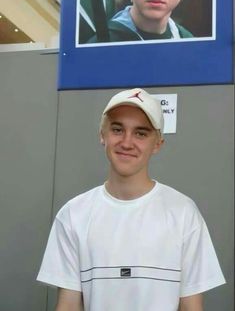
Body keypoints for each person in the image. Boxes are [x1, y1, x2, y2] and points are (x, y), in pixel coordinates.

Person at [37, 87, 225, 310]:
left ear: (157, 144)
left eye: (140, 133)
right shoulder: (72, 215)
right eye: (117, 130)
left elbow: (191, 307)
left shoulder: (183, 213)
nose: (127, 143)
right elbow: (68, 305)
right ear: (102, 135)